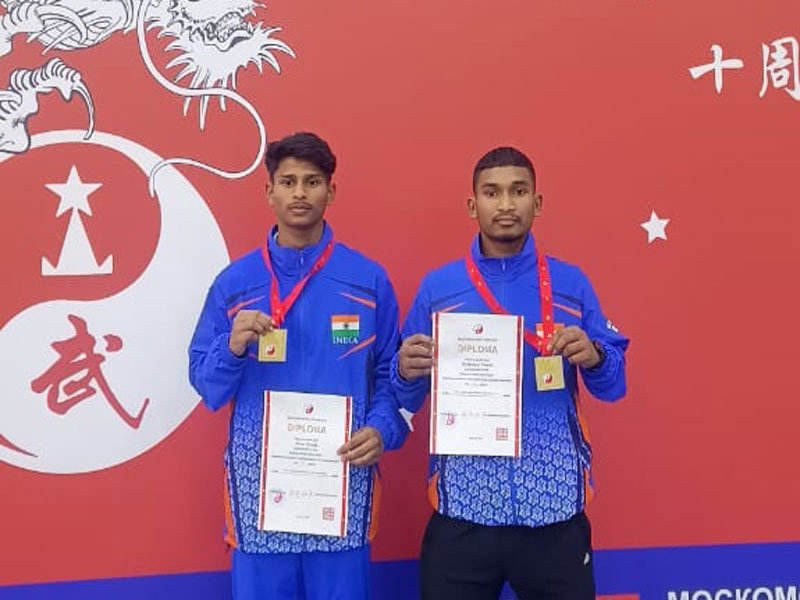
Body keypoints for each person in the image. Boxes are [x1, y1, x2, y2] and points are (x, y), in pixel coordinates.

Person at [392, 146, 629, 599]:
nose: (505, 204)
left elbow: (614, 384)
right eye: (492, 192)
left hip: (553, 510)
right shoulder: (438, 289)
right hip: (464, 509)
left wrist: (596, 355)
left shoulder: (572, 284)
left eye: (518, 192)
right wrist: (405, 370)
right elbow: (404, 394)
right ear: (472, 205)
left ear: (537, 202)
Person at [188, 132, 408, 600]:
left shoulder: (368, 281)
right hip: (261, 493)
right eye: (288, 182)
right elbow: (207, 387)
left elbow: (392, 374)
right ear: (269, 191)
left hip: (341, 483)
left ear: (331, 191)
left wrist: (381, 429)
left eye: (312, 181)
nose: (300, 193)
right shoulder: (234, 284)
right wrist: (232, 347)